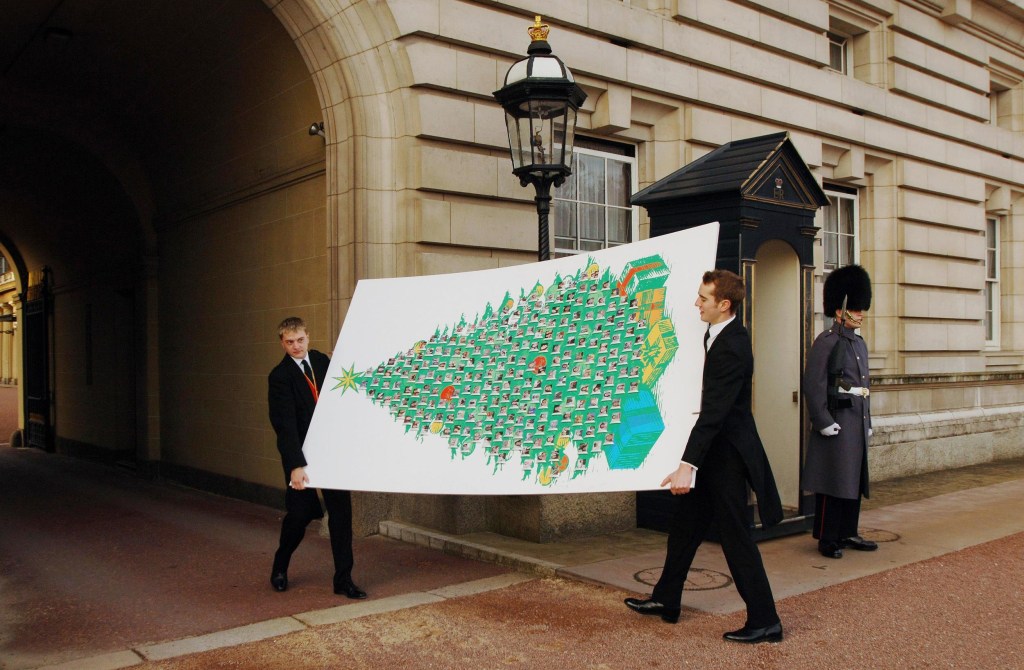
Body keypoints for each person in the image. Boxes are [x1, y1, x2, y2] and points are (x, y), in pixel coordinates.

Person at [624, 270, 784, 644]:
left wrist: (686, 465)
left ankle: (766, 620)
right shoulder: (716, 335)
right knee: (684, 528)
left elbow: (714, 412)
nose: (696, 303)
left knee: (735, 539)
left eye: (703, 299)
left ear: (723, 304)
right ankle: (666, 600)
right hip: (712, 452)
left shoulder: (733, 345)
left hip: (725, 457)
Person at [268, 316, 366, 599]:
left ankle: (343, 579)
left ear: (308, 337)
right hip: (302, 457)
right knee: (298, 517)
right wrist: (296, 466)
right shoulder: (280, 377)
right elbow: (284, 426)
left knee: (341, 516)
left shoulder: (323, 362)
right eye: (289, 342)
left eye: (300, 340)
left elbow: (347, 387)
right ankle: (280, 565)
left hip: (331, 454)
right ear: (282, 343)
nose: (296, 347)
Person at [802, 265, 877, 559]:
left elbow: (864, 387)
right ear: (840, 310)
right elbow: (814, 383)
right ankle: (827, 537)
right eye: (856, 309)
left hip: (854, 423)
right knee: (832, 480)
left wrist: (867, 422)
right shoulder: (827, 341)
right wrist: (822, 420)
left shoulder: (858, 343)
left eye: (861, 309)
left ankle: (848, 531)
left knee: (853, 480)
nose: (861, 314)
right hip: (836, 421)